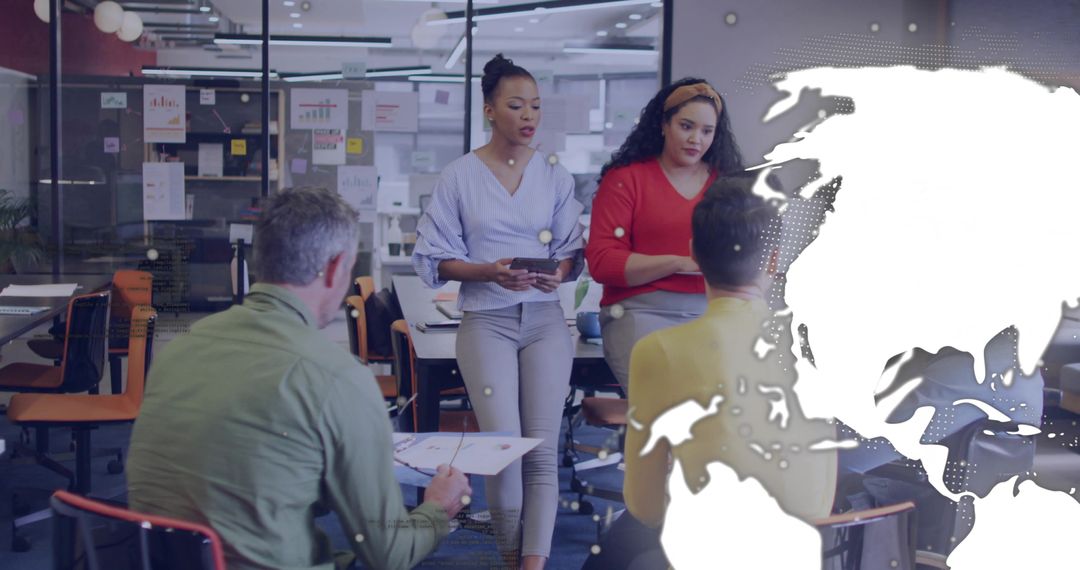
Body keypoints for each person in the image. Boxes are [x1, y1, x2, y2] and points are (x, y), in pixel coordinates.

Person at [127, 186, 472, 570]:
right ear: (335, 267)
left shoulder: (177, 351)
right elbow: (390, 553)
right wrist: (438, 508)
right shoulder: (339, 378)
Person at [583, 177, 837, 569]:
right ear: (773, 260)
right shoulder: (814, 347)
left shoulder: (658, 351)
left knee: (614, 552)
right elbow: (821, 498)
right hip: (798, 550)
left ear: (694, 254)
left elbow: (646, 506)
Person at [412, 53, 585, 570]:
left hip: (545, 320)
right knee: (505, 451)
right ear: (490, 110)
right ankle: (512, 561)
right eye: (516, 105)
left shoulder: (553, 174)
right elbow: (434, 259)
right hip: (486, 320)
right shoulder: (460, 176)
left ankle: (534, 565)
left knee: (541, 454)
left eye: (535, 106)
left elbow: (574, 254)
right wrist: (490, 271)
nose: (529, 115)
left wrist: (561, 272)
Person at [585, 78, 744, 392]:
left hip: (710, 313)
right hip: (640, 312)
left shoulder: (726, 184)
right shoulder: (625, 180)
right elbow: (603, 262)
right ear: (663, 124)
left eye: (706, 131)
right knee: (668, 418)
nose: (695, 139)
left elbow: (749, 250)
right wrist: (678, 263)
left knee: (712, 425)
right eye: (686, 126)